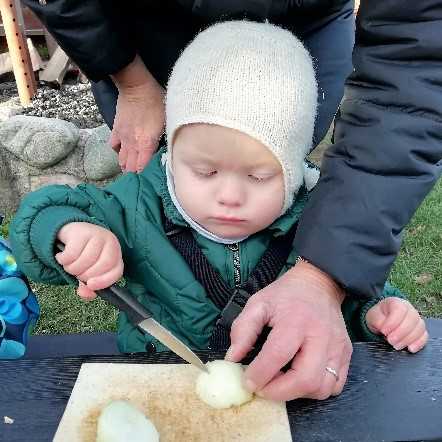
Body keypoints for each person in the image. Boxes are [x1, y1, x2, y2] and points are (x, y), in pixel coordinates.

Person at [10, 22, 428, 400]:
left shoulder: (321, 222)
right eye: (205, 170)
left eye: (261, 176)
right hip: (158, 388)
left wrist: (379, 313)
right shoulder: (137, 205)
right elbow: (40, 217)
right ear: (172, 155)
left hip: (279, 399)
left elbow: (345, 294)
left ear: (295, 172)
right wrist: (70, 232)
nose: (229, 195)